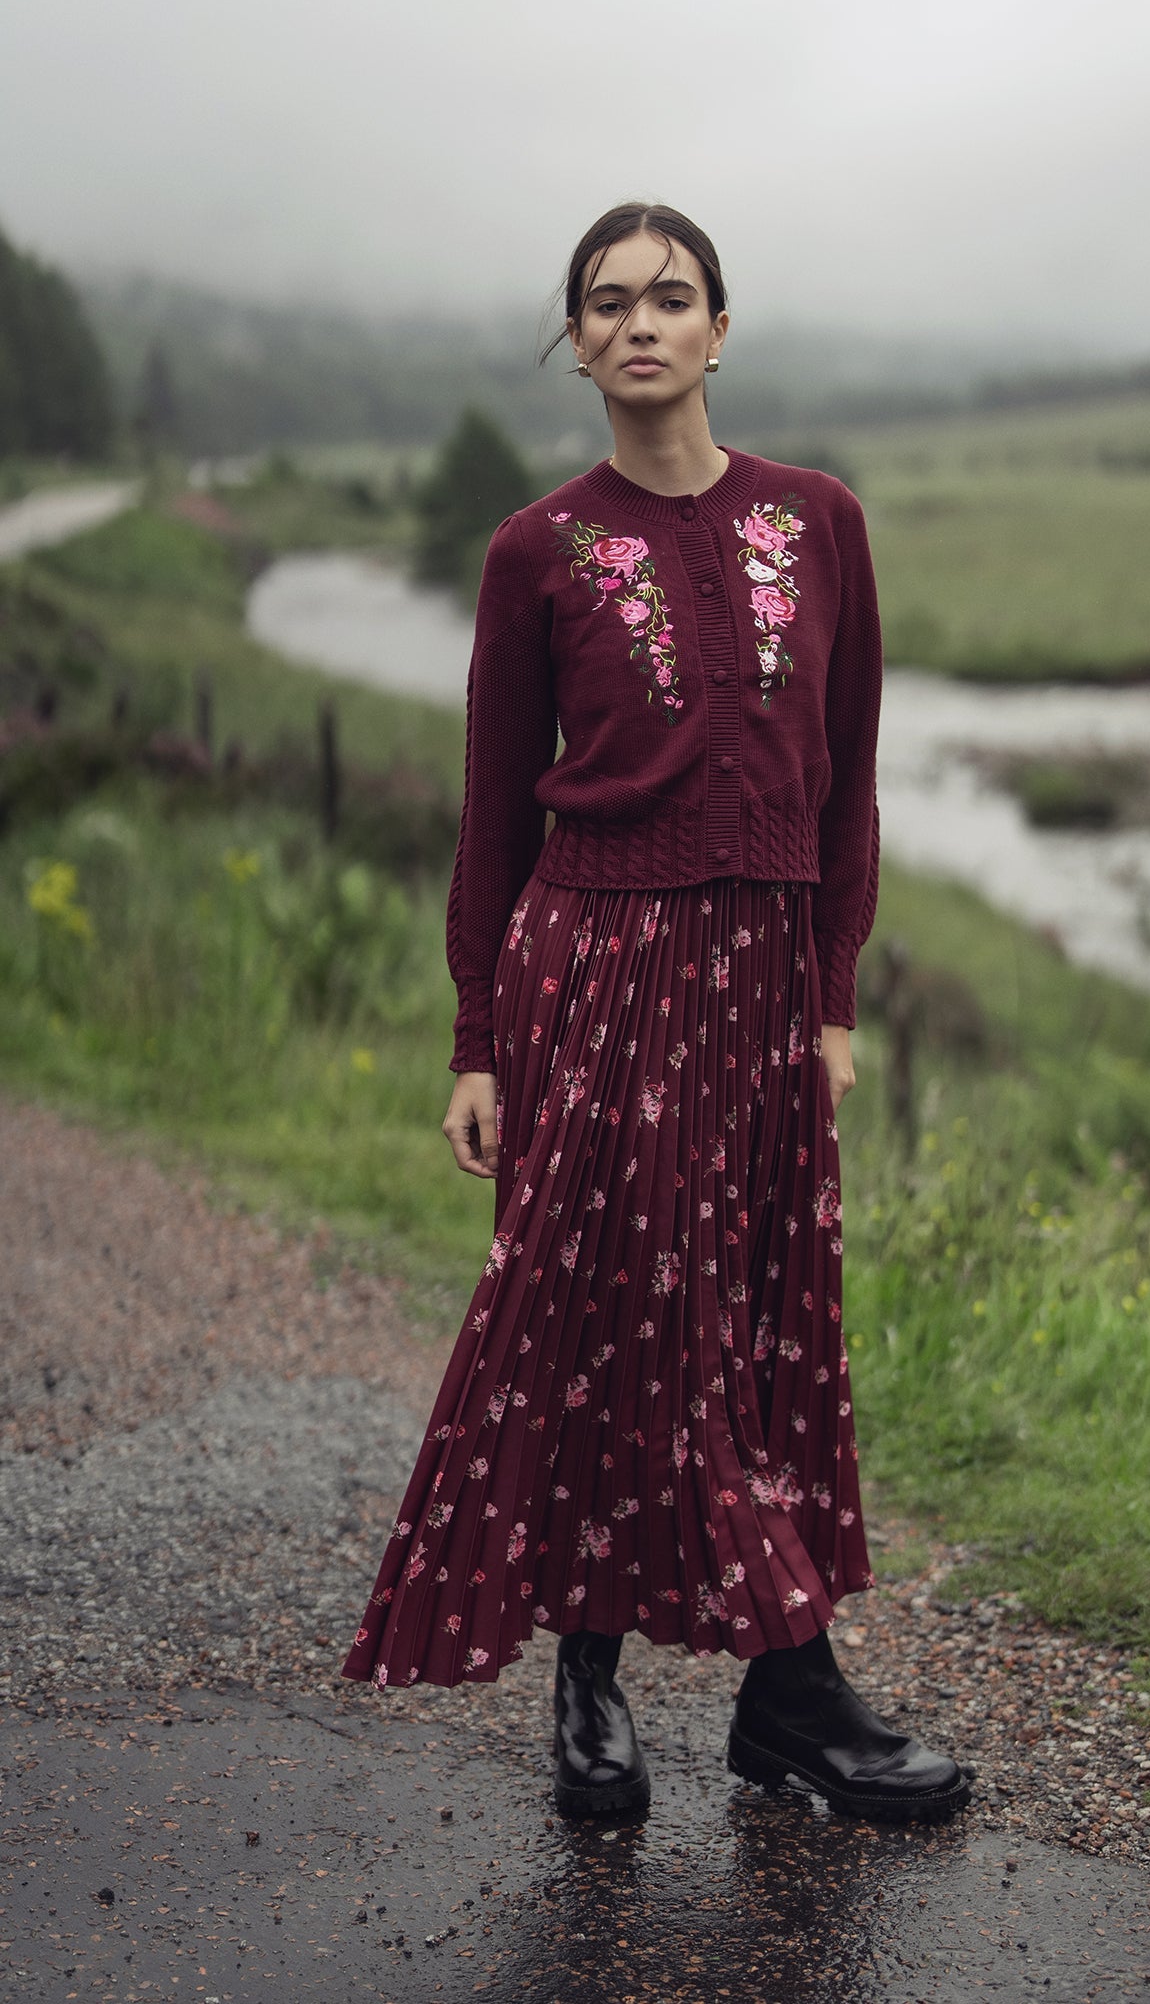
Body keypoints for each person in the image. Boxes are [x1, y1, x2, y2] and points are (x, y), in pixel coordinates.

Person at [341, 202, 974, 1826]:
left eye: (671, 297)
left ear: (718, 329)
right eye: (608, 302)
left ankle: (782, 1701)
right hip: (598, 976)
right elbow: (495, 810)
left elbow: (846, 785)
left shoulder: (818, 521)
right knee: (607, 1322)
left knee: (759, 1320)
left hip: (764, 984)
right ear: (576, 344)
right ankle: (602, 1681)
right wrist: (476, 1040)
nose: (641, 323)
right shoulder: (536, 551)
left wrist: (831, 999)